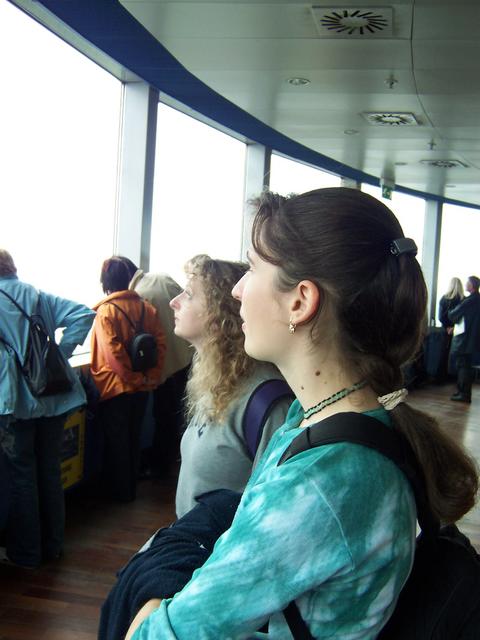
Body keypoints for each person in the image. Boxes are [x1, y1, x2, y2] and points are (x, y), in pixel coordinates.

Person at [126, 189, 478, 640]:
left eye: (252, 268)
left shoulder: (321, 481)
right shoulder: (319, 418)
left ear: (300, 301)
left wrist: (151, 597)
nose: (236, 289)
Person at [98, 256, 291, 640]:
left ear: (220, 314)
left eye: (188, 294)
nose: (174, 301)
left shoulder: (266, 401)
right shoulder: (213, 382)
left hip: (220, 575)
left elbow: (272, 521)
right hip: (196, 560)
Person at [0, 249, 95, 568]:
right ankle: (53, 546)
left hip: (15, 402)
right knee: (50, 471)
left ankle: (26, 553)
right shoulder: (37, 296)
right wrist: (58, 353)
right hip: (55, 398)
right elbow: (84, 315)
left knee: (22, 476)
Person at [90, 256, 166, 502]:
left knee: (116, 441)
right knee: (133, 437)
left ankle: (119, 494)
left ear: (105, 282)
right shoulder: (146, 308)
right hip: (142, 386)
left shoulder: (107, 311)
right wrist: (148, 378)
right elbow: (160, 344)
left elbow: (113, 355)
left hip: (116, 387)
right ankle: (130, 489)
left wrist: (131, 379)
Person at [121, 258, 192, 478]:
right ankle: (173, 459)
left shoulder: (137, 296)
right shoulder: (161, 278)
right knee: (179, 413)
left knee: (163, 415)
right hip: (187, 355)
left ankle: (160, 467)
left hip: (163, 363)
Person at [448, 275, 480, 403]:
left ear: (472, 285)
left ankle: (463, 394)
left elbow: (453, 315)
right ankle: (463, 392)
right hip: (474, 339)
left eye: (467, 283)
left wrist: (450, 309)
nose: (465, 285)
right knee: (466, 365)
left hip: (465, 339)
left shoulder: (469, 301)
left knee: (463, 366)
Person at [437, 277, 464, 382]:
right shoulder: (463, 300)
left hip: (446, 330)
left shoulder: (444, 299)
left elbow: (440, 316)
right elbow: (464, 318)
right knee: (457, 354)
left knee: (443, 353)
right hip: (459, 331)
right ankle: (454, 377)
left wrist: (447, 327)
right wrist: (454, 327)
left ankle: (441, 377)